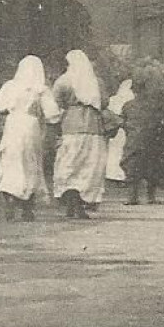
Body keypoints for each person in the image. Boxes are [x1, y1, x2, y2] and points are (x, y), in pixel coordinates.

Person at [0, 55, 60, 220]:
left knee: (11, 159)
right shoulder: (40, 89)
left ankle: (9, 194)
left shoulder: (10, 86)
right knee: (30, 162)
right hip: (30, 125)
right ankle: (27, 207)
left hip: (13, 124)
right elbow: (52, 115)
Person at [49, 49, 107, 219]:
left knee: (70, 165)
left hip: (70, 126)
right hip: (93, 127)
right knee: (88, 167)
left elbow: (56, 102)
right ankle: (82, 204)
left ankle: (70, 202)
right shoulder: (96, 82)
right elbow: (104, 102)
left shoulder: (63, 81)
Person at [119, 69, 164, 205]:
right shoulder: (155, 105)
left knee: (132, 168)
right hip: (152, 141)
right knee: (152, 167)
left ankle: (132, 197)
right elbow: (161, 123)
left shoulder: (128, 105)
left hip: (134, 141)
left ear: (134, 91)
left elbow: (122, 122)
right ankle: (151, 197)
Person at [104, 75, 136, 182]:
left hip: (117, 127)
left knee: (114, 150)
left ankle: (112, 173)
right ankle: (120, 173)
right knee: (119, 150)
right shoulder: (131, 101)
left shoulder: (113, 100)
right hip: (122, 128)